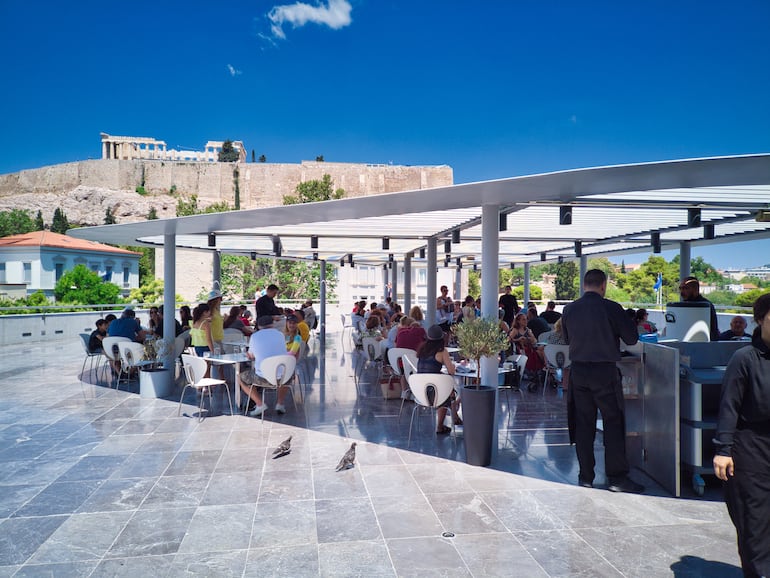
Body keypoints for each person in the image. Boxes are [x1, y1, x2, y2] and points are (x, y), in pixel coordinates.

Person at [562, 269, 643, 493]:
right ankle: (616, 478)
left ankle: (585, 476)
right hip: (604, 373)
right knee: (613, 424)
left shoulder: (569, 309)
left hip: (578, 372)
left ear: (584, 285)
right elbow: (631, 338)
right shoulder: (611, 308)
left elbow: (567, 339)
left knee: (583, 425)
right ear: (603, 286)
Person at [713, 293, 770, 577]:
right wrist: (723, 449)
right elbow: (729, 406)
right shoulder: (745, 359)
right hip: (751, 449)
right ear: (760, 320)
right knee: (754, 523)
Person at [238, 316, 293, 416]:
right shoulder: (280, 335)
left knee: (241, 378)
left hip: (263, 378)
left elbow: (251, 356)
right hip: (283, 378)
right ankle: (280, 403)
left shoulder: (255, 336)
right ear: (272, 324)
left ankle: (259, 404)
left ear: (259, 326)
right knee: (285, 374)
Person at [416, 324, 461, 434]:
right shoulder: (442, 351)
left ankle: (455, 418)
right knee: (448, 392)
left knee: (448, 389)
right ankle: (441, 425)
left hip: (420, 390)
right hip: (434, 391)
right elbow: (451, 371)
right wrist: (453, 366)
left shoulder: (422, 350)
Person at [679, 276, 720, 341]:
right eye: (680, 288)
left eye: (685, 288)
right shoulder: (683, 306)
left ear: (695, 289)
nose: (681, 292)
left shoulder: (705, 306)